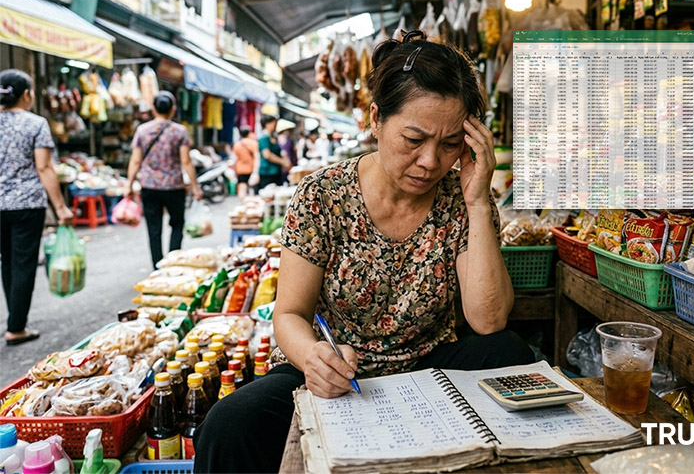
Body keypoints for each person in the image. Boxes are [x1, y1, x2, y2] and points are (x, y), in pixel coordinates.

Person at [194, 31, 533, 473]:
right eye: (414, 139)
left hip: (424, 371)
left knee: (509, 352)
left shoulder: (462, 197)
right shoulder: (323, 195)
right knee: (229, 425)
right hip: (335, 370)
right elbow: (289, 314)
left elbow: (488, 321)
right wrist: (314, 358)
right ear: (376, 119)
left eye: (450, 144)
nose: (431, 161)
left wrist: (478, 200)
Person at [0, 69, 73, 345]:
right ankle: (16, 326)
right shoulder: (36, 123)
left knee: (7, 261)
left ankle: (15, 318)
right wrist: (61, 207)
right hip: (26, 204)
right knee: (23, 263)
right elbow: (44, 167)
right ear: (27, 95)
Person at [126, 91, 201, 269]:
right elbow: (186, 161)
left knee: (154, 228)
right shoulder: (179, 131)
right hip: (174, 186)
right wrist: (195, 187)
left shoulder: (142, 131)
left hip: (149, 186)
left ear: (153, 109)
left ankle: (157, 266)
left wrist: (129, 185)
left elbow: (135, 160)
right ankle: (173, 263)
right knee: (177, 224)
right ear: (173, 109)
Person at [257, 115, 290, 189]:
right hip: (267, 172)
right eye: (274, 124)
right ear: (267, 124)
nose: (275, 126)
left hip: (276, 171)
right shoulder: (264, 138)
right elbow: (267, 155)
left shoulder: (273, 137)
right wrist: (282, 162)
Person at [232, 127, 258, 199]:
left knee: (242, 189)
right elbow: (257, 157)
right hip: (252, 169)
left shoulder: (237, 144)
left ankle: (244, 205)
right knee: (252, 190)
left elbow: (235, 159)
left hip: (240, 169)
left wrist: (234, 170)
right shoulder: (253, 143)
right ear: (249, 133)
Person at [275, 119, 297, 184]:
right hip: (287, 166)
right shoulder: (284, 139)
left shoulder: (279, 138)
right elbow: (284, 153)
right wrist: (288, 165)